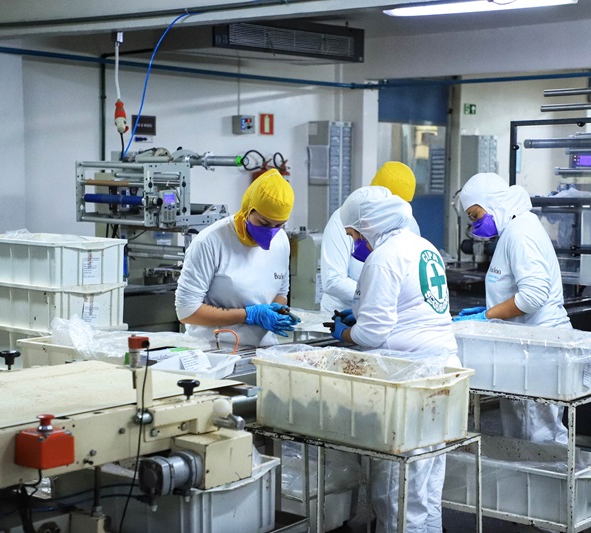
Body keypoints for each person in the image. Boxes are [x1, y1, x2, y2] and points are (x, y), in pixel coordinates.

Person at [329, 185, 459, 533]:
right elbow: (408, 306)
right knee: (426, 481)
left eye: (353, 233)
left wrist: (345, 333)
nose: (354, 242)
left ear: (368, 226)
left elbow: (372, 334)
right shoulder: (423, 245)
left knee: (397, 489)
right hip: (442, 369)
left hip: (407, 375)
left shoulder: (383, 257)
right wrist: (362, 312)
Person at [453, 172, 571, 444]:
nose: (475, 224)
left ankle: (547, 474)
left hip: (539, 347)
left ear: (492, 203)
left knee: (538, 436)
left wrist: (486, 316)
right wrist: (489, 311)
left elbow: (533, 296)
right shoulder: (514, 229)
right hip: (524, 347)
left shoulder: (520, 233)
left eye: (475, 215)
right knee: (522, 436)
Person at [175, 168, 299, 347]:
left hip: (264, 349)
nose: (270, 232)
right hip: (215, 350)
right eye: (263, 223)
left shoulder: (281, 241)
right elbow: (186, 311)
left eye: (278, 225)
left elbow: (280, 293)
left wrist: (278, 311)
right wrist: (249, 315)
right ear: (248, 208)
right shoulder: (210, 242)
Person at [319, 161, 421, 316]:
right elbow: (333, 280)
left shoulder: (409, 223)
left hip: (387, 312)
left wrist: (386, 299)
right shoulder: (344, 219)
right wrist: (377, 296)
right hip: (341, 312)